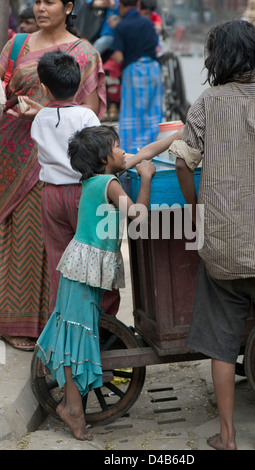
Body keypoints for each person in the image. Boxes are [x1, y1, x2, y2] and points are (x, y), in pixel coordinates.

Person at [172, 20, 255, 450]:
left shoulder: (209, 102)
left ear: (218, 58)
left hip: (222, 246)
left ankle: (226, 437)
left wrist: (196, 209)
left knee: (223, 343)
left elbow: (184, 163)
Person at [36, 124, 183, 441]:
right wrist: (145, 178)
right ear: (105, 158)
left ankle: (72, 404)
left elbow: (145, 153)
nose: (123, 150)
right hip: (83, 272)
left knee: (77, 332)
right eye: (118, 147)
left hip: (82, 269)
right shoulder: (110, 183)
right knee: (76, 337)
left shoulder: (95, 178)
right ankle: (71, 408)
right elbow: (138, 217)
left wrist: (181, 136)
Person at [0, 0, 106, 351]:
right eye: (37, 1)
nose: (41, 8)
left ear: (69, 6)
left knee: (53, 245)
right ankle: (12, 320)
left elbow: (88, 112)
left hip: (57, 164)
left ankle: (51, 323)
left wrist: (41, 113)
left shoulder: (83, 52)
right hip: (12, 157)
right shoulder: (17, 45)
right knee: (20, 238)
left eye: (50, 1)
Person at [110, 0, 163, 154]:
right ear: (137, 5)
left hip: (133, 71)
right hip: (153, 69)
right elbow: (155, 47)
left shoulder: (121, 26)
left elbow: (118, 56)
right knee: (152, 111)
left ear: (121, 6)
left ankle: (133, 152)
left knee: (132, 112)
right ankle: (154, 150)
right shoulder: (147, 23)